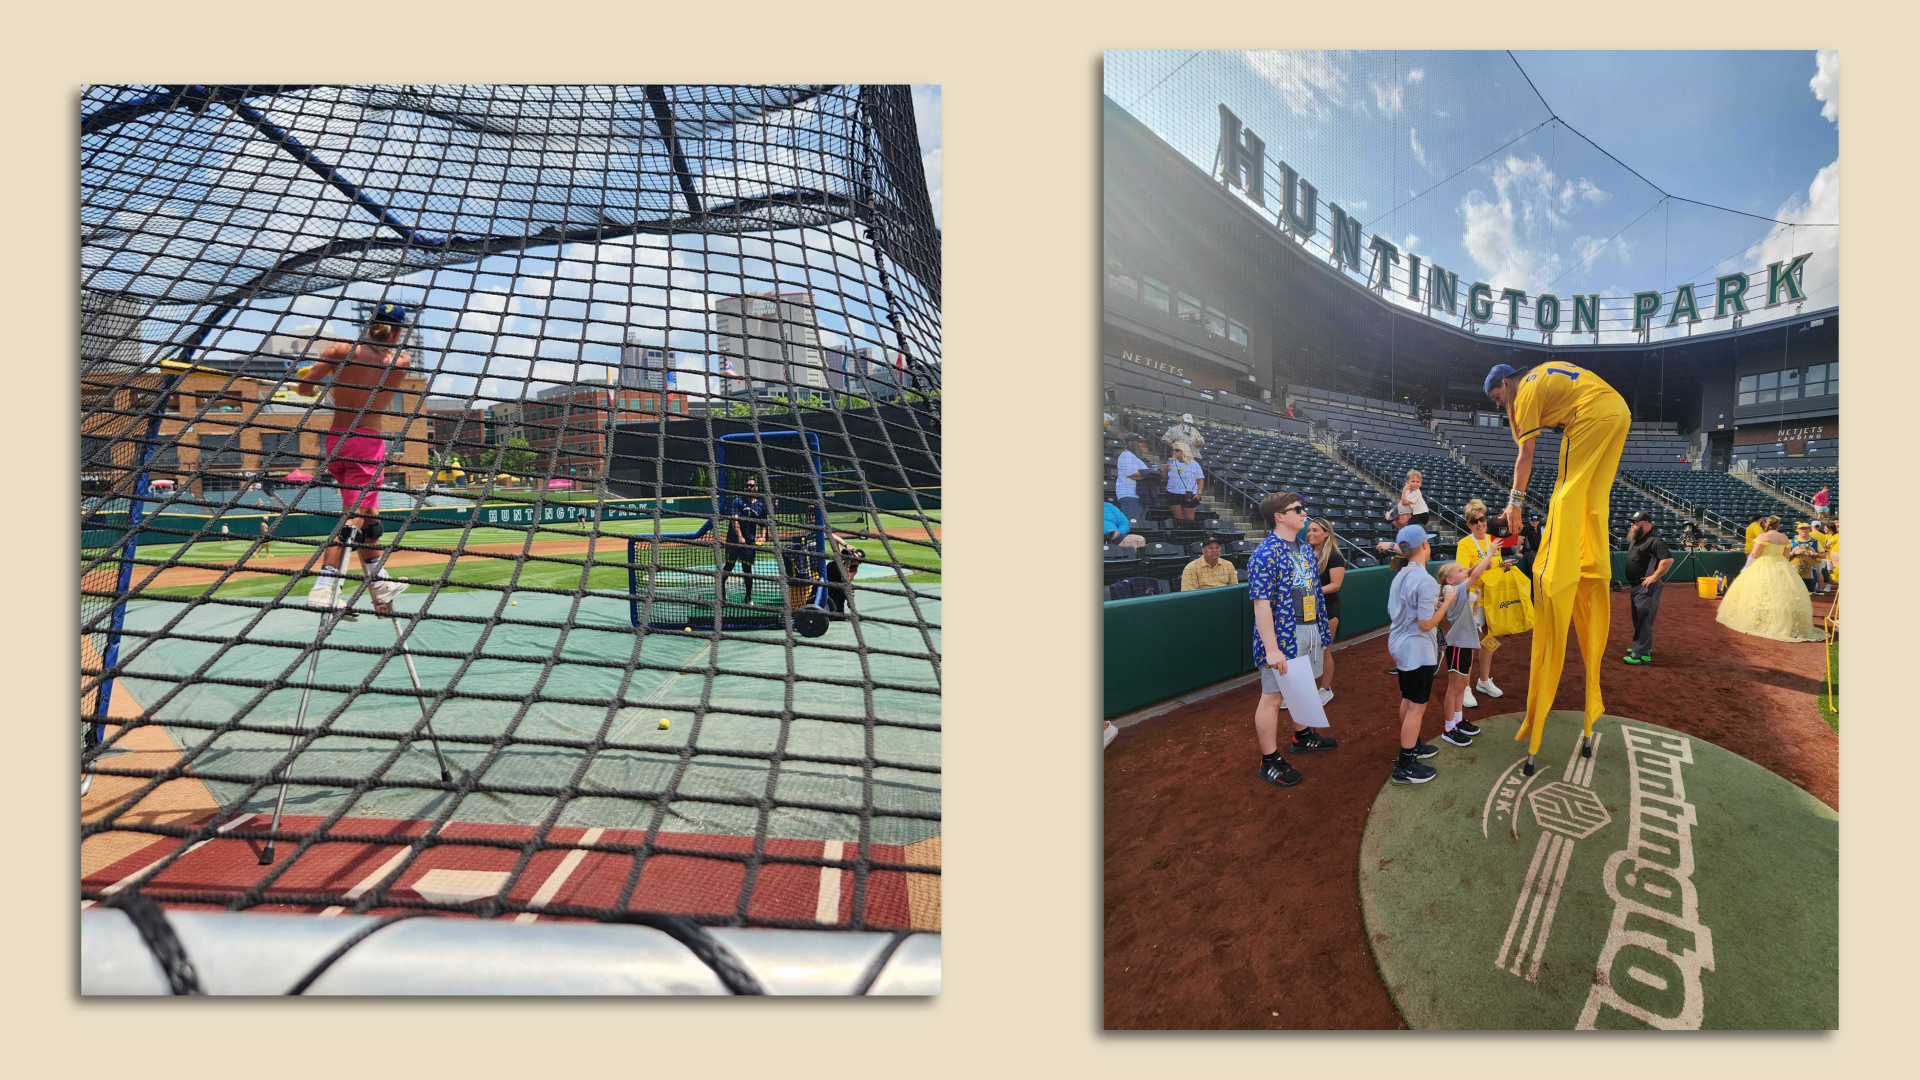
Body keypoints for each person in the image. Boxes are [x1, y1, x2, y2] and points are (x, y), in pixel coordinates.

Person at [1486, 360, 1631, 771]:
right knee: (1593, 498)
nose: (1500, 407)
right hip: (1618, 412)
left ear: (1502, 383)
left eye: (1497, 399)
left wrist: (1513, 505)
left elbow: (1525, 453)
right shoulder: (1542, 375)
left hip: (1588, 416)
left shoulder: (1524, 390)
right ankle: (1589, 553)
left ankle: (1562, 556)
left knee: (1565, 494)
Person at [299, 302, 414, 613]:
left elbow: (303, 388)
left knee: (369, 517)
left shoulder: (338, 351)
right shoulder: (400, 362)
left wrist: (309, 378)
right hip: (366, 444)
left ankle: (378, 582)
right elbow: (384, 362)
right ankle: (324, 585)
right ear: (397, 332)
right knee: (354, 520)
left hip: (337, 443)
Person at [1247, 491, 1336, 788]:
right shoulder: (1265, 552)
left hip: (1309, 626)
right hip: (1283, 634)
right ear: (1279, 516)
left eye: (1302, 508)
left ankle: (1303, 736)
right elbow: (1261, 605)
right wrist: (1271, 649)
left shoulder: (1305, 548)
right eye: (1297, 509)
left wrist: (1320, 630)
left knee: (1302, 685)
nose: (1304, 513)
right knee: (1272, 697)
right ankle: (1269, 760)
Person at [1386, 524, 1450, 785]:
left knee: (1408, 699)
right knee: (1416, 707)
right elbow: (1426, 624)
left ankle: (1412, 744)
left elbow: (1413, 611)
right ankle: (1404, 765)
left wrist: (1433, 605)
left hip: (1401, 643)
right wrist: (1445, 603)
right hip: (1415, 647)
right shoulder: (1425, 579)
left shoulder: (1402, 574)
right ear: (1425, 545)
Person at [1717, 518, 1822, 642]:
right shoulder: (1785, 539)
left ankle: (1761, 620)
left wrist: (1745, 568)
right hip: (1781, 564)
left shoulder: (1762, 537)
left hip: (1763, 564)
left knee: (1759, 592)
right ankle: (1782, 621)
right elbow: (1786, 556)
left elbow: (1754, 554)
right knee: (1780, 594)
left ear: (1766, 524)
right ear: (1778, 525)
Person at [1435, 551, 1498, 747]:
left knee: (1462, 685)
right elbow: (1475, 575)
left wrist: (1477, 598)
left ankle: (1458, 719)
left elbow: (1470, 574)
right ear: (1450, 580)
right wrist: (1490, 553)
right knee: (1454, 688)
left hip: (1466, 644)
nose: (1465, 571)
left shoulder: (1457, 589)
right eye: (1460, 570)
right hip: (1457, 646)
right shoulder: (1452, 590)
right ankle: (1448, 728)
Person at [1453, 499, 1507, 705]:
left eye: (1482, 519)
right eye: (1474, 521)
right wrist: (1486, 564)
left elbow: (1498, 565)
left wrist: (1501, 564)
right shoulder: (1464, 544)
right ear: (1468, 524)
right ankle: (1465, 687)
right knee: (1469, 644)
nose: (1480, 524)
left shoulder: (1493, 540)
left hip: (1493, 598)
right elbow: (1462, 572)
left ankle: (1484, 680)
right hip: (1475, 600)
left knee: (1489, 642)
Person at [1621, 511, 1673, 665]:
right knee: (1638, 618)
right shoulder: (1636, 540)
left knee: (1644, 619)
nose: (1632, 524)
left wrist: (1654, 577)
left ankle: (1641, 655)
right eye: (1632, 522)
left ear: (1646, 523)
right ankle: (1643, 646)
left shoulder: (1655, 541)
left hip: (1646, 588)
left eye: (1636, 522)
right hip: (1635, 586)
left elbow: (1668, 560)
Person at [1305, 517, 1346, 706]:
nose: (1311, 534)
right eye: (1309, 530)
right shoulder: (1305, 553)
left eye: (1315, 530)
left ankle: (1325, 689)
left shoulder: (1334, 556)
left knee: (1324, 650)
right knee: (1305, 651)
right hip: (1307, 609)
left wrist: (1308, 590)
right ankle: (1303, 690)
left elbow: (1335, 585)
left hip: (1327, 609)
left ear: (1327, 533)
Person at [718, 476, 770, 603]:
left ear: (756, 488)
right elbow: (734, 520)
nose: (749, 488)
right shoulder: (738, 502)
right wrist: (740, 536)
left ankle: (748, 597)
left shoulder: (760, 506)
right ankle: (721, 592)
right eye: (747, 485)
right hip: (734, 541)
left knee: (747, 570)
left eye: (752, 486)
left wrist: (762, 537)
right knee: (729, 566)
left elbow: (763, 525)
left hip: (749, 542)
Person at [1113, 435, 1152, 521]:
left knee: (1139, 525)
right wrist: (1149, 475)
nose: (1143, 444)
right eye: (1140, 442)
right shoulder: (1126, 455)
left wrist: (1149, 475)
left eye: (1143, 442)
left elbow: (1144, 474)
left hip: (1139, 495)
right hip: (1130, 494)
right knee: (1131, 523)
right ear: (1130, 443)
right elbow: (1132, 474)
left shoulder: (1135, 458)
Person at [1163, 443, 1204, 522]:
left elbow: (1200, 480)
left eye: (1177, 450)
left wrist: (1199, 492)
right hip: (1173, 493)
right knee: (1178, 517)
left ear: (1184, 451)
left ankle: (1188, 533)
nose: (1174, 452)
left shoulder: (1194, 464)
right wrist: (1166, 468)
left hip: (1189, 494)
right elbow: (1164, 478)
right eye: (1173, 450)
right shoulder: (1172, 462)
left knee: (1189, 518)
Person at [1788, 522, 1822, 593]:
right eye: (1802, 529)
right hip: (1795, 574)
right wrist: (1794, 553)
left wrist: (1815, 554)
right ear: (1798, 530)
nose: (1804, 531)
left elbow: (1823, 555)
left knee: (1810, 595)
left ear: (1810, 530)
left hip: (1810, 575)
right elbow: (1784, 555)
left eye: (1806, 529)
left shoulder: (1816, 542)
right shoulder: (1790, 542)